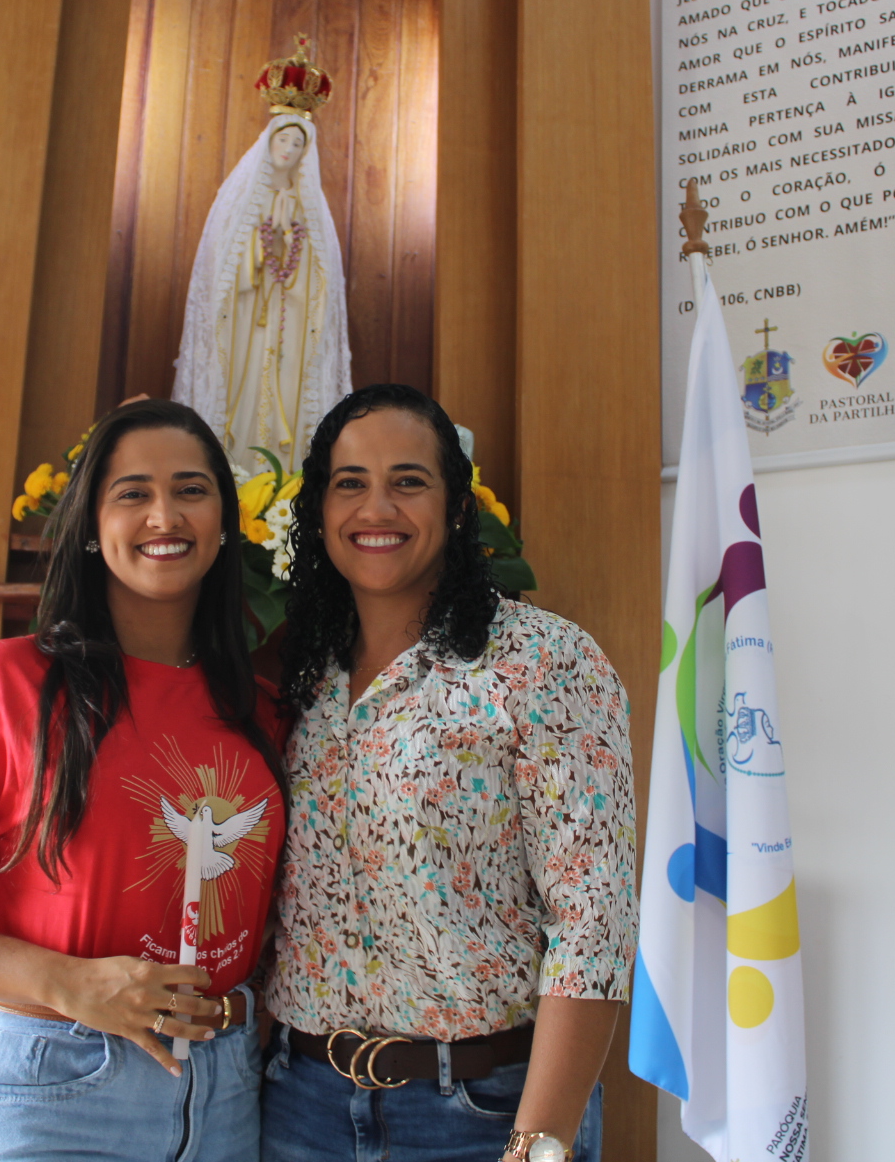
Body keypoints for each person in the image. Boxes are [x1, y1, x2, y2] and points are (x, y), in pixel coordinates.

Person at [0, 399, 289, 1161]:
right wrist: (64, 982)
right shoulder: (2, 684)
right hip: (53, 1086)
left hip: (227, 1096)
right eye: (133, 493)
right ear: (88, 525)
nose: (165, 515)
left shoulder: (264, 712)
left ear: (223, 523)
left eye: (191, 489)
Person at [259, 385, 639, 1162]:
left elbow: (592, 924)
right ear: (319, 512)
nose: (377, 507)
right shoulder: (297, 673)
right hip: (300, 1107)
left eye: (408, 481)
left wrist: (538, 1145)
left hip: (481, 1114)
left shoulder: (542, 660)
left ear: (459, 509)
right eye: (350, 483)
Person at [171, 37, 351, 475]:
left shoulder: (311, 211)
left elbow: (320, 283)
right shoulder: (239, 203)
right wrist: (262, 245)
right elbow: (225, 271)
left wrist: (292, 245)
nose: (288, 150)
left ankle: (285, 476)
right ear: (268, 142)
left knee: (288, 387)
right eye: (282, 140)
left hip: (291, 328)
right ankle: (233, 468)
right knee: (246, 385)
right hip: (247, 324)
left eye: (297, 144)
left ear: (307, 153)